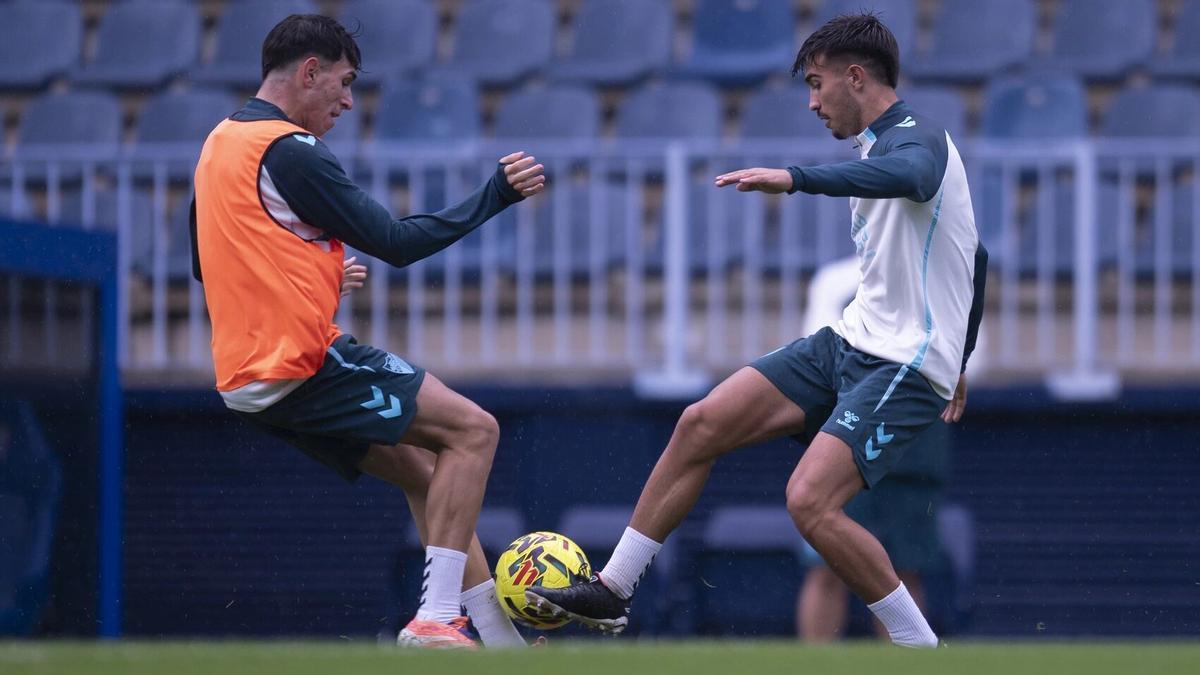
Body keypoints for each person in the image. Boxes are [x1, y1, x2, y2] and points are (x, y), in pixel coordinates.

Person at [527, 13, 987, 649]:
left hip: (903, 364)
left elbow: (911, 179)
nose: (812, 101)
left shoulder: (918, 138)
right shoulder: (876, 148)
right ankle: (615, 587)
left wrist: (795, 177)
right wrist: (963, 352)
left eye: (818, 84)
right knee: (701, 422)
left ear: (856, 77)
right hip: (851, 342)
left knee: (809, 502)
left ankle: (920, 648)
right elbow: (977, 258)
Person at [190, 14, 545, 649]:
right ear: (309, 72)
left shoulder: (219, 143)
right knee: (475, 430)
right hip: (296, 363)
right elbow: (396, 242)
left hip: (245, 381)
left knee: (426, 470)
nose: (348, 101)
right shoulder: (288, 149)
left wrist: (312, 272)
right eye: (344, 82)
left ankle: (497, 641)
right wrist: (495, 194)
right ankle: (436, 619)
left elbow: (206, 260)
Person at [793, 257, 951, 642]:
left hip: (914, 439)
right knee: (826, 566)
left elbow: (964, 362)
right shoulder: (834, 281)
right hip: (849, 429)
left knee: (904, 568)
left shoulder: (943, 275)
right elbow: (823, 354)